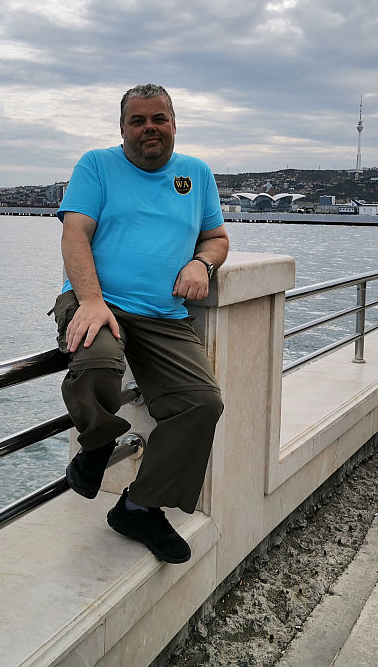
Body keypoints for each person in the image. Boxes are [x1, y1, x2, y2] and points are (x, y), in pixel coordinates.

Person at [52, 84, 229, 564]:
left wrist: (203, 264)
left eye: (158, 118)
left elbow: (216, 237)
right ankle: (97, 445)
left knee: (202, 403)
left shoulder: (197, 173)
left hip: (165, 315)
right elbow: (75, 233)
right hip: (99, 301)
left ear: (173, 124)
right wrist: (91, 301)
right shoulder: (97, 165)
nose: (149, 128)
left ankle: (139, 507)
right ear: (122, 128)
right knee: (98, 360)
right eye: (138, 120)